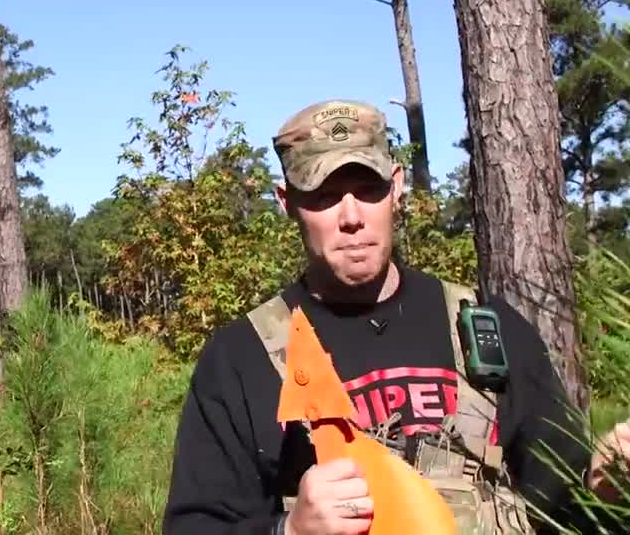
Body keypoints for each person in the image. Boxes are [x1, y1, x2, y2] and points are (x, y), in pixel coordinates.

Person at [161, 99, 630, 535]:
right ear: (288, 203)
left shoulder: (488, 327)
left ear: (397, 187)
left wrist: (605, 483)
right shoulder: (240, 357)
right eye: (323, 195)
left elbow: (563, 503)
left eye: (367, 189)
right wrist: (290, 531)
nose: (351, 216)